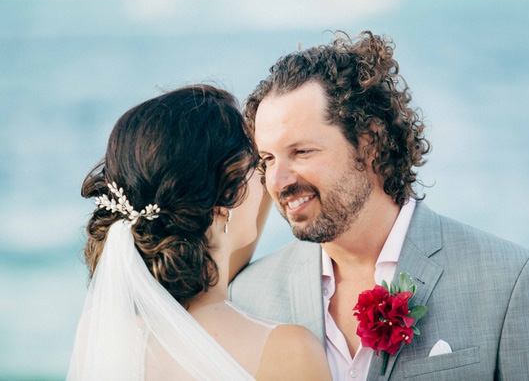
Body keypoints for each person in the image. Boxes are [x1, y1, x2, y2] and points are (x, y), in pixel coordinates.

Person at [230, 32, 529, 380]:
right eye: (268, 159)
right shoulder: (247, 297)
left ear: (368, 142)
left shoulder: (510, 281)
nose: (277, 181)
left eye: (301, 152)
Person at [67, 85, 331, 380]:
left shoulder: (104, 334)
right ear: (223, 201)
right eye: (259, 164)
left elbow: (221, 248)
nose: (269, 181)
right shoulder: (288, 352)